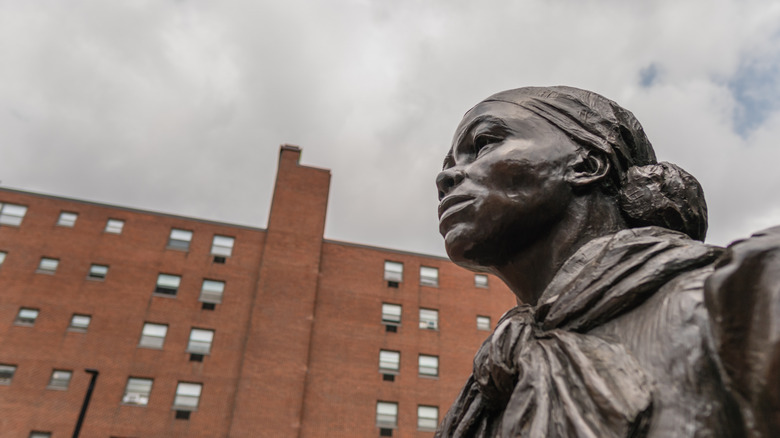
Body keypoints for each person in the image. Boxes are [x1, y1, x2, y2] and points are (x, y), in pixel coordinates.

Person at [434, 86, 780, 438]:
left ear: (587, 164)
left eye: (484, 143)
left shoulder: (748, 296)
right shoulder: (489, 388)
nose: (445, 178)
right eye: (449, 164)